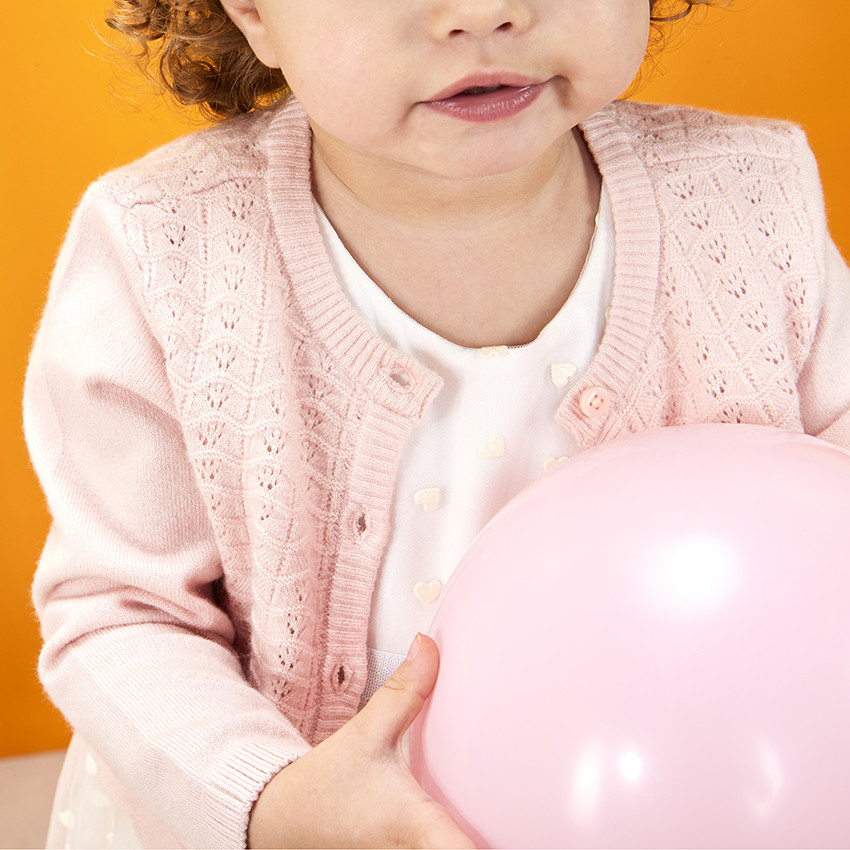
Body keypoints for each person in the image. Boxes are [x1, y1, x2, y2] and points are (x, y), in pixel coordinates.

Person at [24, 0, 850, 847]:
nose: (484, 12)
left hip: (672, 803)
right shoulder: (164, 250)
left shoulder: (751, 202)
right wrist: (272, 799)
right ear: (252, 13)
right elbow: (121, 611)